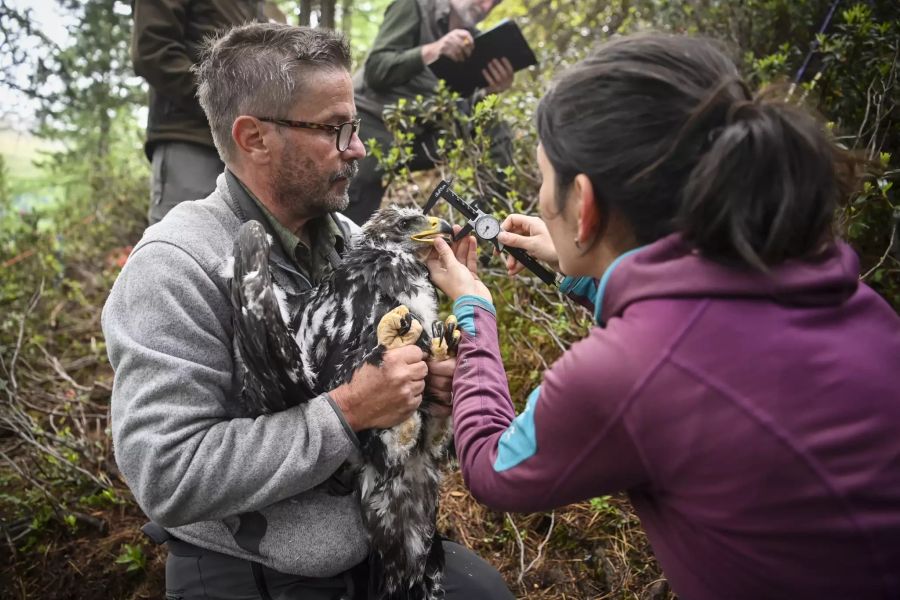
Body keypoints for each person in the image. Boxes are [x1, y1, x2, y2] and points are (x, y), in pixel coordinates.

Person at [426, 33, 900, 600]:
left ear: (585, 203)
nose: (540, 200)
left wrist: (473, 306)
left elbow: (493, 467)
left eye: (544, 181)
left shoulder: (628, 371)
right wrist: (589, 260)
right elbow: (684, 321)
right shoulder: (838, 288)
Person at [103, 23, 512, 599]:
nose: (359, 148)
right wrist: (347, 412)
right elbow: (167, 474)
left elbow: (383, 392)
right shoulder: (174, 266)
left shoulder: (349, 238)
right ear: (254, 138)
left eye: (356, 126)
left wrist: (425, 391)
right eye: (334, 129)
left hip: (375, 541)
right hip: (251, 568)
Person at [346, 0, 515, 225]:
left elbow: (456, 106)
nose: (485, 7)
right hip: (375, 121)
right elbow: (377, 70)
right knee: (355, 199)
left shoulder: (475, 42)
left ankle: (484, 230)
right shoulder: (415, 6)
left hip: (422, 132)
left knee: (495, 130)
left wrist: (488, 91)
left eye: (493, 4)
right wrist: (435, 49)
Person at [131, 0, 282, 227]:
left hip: (247, 151)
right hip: (191, 141)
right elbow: (154, 52)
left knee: (242, 253)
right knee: (182, 244)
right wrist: (226, 104)